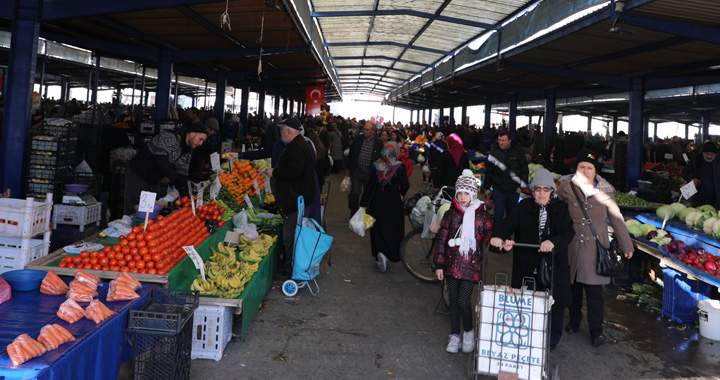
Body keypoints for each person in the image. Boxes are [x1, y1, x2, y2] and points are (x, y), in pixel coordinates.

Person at [489, 168, 575, 350]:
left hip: (553, 266)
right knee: (525, 301)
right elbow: (507, 224)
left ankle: (551, 340)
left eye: (546, 189)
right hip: (527, 265)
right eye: (538, 189)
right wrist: (499, 237)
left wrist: (553, 242)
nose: (542, 193)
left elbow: (568, 232)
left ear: (552, 190)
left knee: (555, 304)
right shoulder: (524, 207)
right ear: (533, 190)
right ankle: (524, 335)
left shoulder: (561, 208)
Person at [556, 149, 634, 347]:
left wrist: (626, 245)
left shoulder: (606, 191)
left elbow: (616, 219)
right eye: (581, 167)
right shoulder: (565, 188)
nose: (585, 170)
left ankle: (596, 331)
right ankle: (574, 321)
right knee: (573, 289)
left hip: (595, 250)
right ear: (576, 168)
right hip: (572, 247)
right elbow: (555, 213)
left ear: (595, 171)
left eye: (589, 167)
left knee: (594, 293)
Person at [433, 169, 493, 354]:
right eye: (459, 193)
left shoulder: (482, 217)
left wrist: (501, 244)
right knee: (453, 301)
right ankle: (455, 335)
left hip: (470, 267)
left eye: (466, 193)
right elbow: (441, 240)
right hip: (451, 265)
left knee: (463, 301)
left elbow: (491, 239)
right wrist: (439, 264)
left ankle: (467, 330)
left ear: (474, 193)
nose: (462, 196)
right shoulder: (450, 215)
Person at [267, 118, 317, 279]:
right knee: (293, 234)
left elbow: (293, 172)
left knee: (290, 235)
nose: (280, 133)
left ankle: (291, 269)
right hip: (300, 197)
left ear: (288, 131)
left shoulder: (296, 148)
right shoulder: (300, 144)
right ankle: (291, 265)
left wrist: (274, 172)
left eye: (282, 130)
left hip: (296, 200)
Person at [123, 123, 207, 215]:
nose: (201, 144)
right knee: (134, 208)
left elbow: (183, 173)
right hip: (138, 174)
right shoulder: (170, 137)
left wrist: (186, 197)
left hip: (154, 179)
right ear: (192, 134)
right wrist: (176, 181)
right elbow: (161, 160)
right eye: (200, 139)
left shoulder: (188, 151)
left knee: (149, 210)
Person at [360, 142, 409, 272]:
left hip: (377, 202)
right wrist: (402, 194)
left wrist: (363, 203)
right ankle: (389, 253)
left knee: (377, 228)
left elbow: (369, 186)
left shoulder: (376, 165)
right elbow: (405, 185)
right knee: (393, 229)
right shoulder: (400, 166)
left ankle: (380, 253)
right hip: (394, 204)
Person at [481, 131, 529, 226]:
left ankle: (508, 237)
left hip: (514, 190)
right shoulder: (494, 154)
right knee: (498, 214)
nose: (501, 143)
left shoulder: (518, 153)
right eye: (499, 140)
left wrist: (522, 187)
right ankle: (496, 237)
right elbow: (489, 172)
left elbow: (524, 170)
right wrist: (486, 187)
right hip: (499, 190)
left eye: (503, 140)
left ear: (509, 141)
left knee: (511, 215)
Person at [347, 121, 383, 217]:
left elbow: (380, 158)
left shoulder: (378, 142)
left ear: (373, 131)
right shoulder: (358, 139)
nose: (364, 131)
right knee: (355, 192)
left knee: (368, 194)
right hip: (357, 171)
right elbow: (351, 154)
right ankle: (354, 212)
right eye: (364, 129)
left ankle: (365, 214)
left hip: (370, 172)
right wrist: (348, 169)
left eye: (367, 130)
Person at [681, 141, 719, 207]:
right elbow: (684, 173)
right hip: (698, 198)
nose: (709, 156)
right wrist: (690, 179)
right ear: (703, 153)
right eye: (707, 154)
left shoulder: (719, 161)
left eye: (712, 154)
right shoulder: (696, 160)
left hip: (717, 198)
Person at [188, 118, 220, 182]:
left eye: (214, 131)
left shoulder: (208, 138)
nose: (212, 132)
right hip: (193, 163)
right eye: (211, 130)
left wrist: (207, 161)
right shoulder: (199, 134)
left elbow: (208, 149)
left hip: (199, 163)